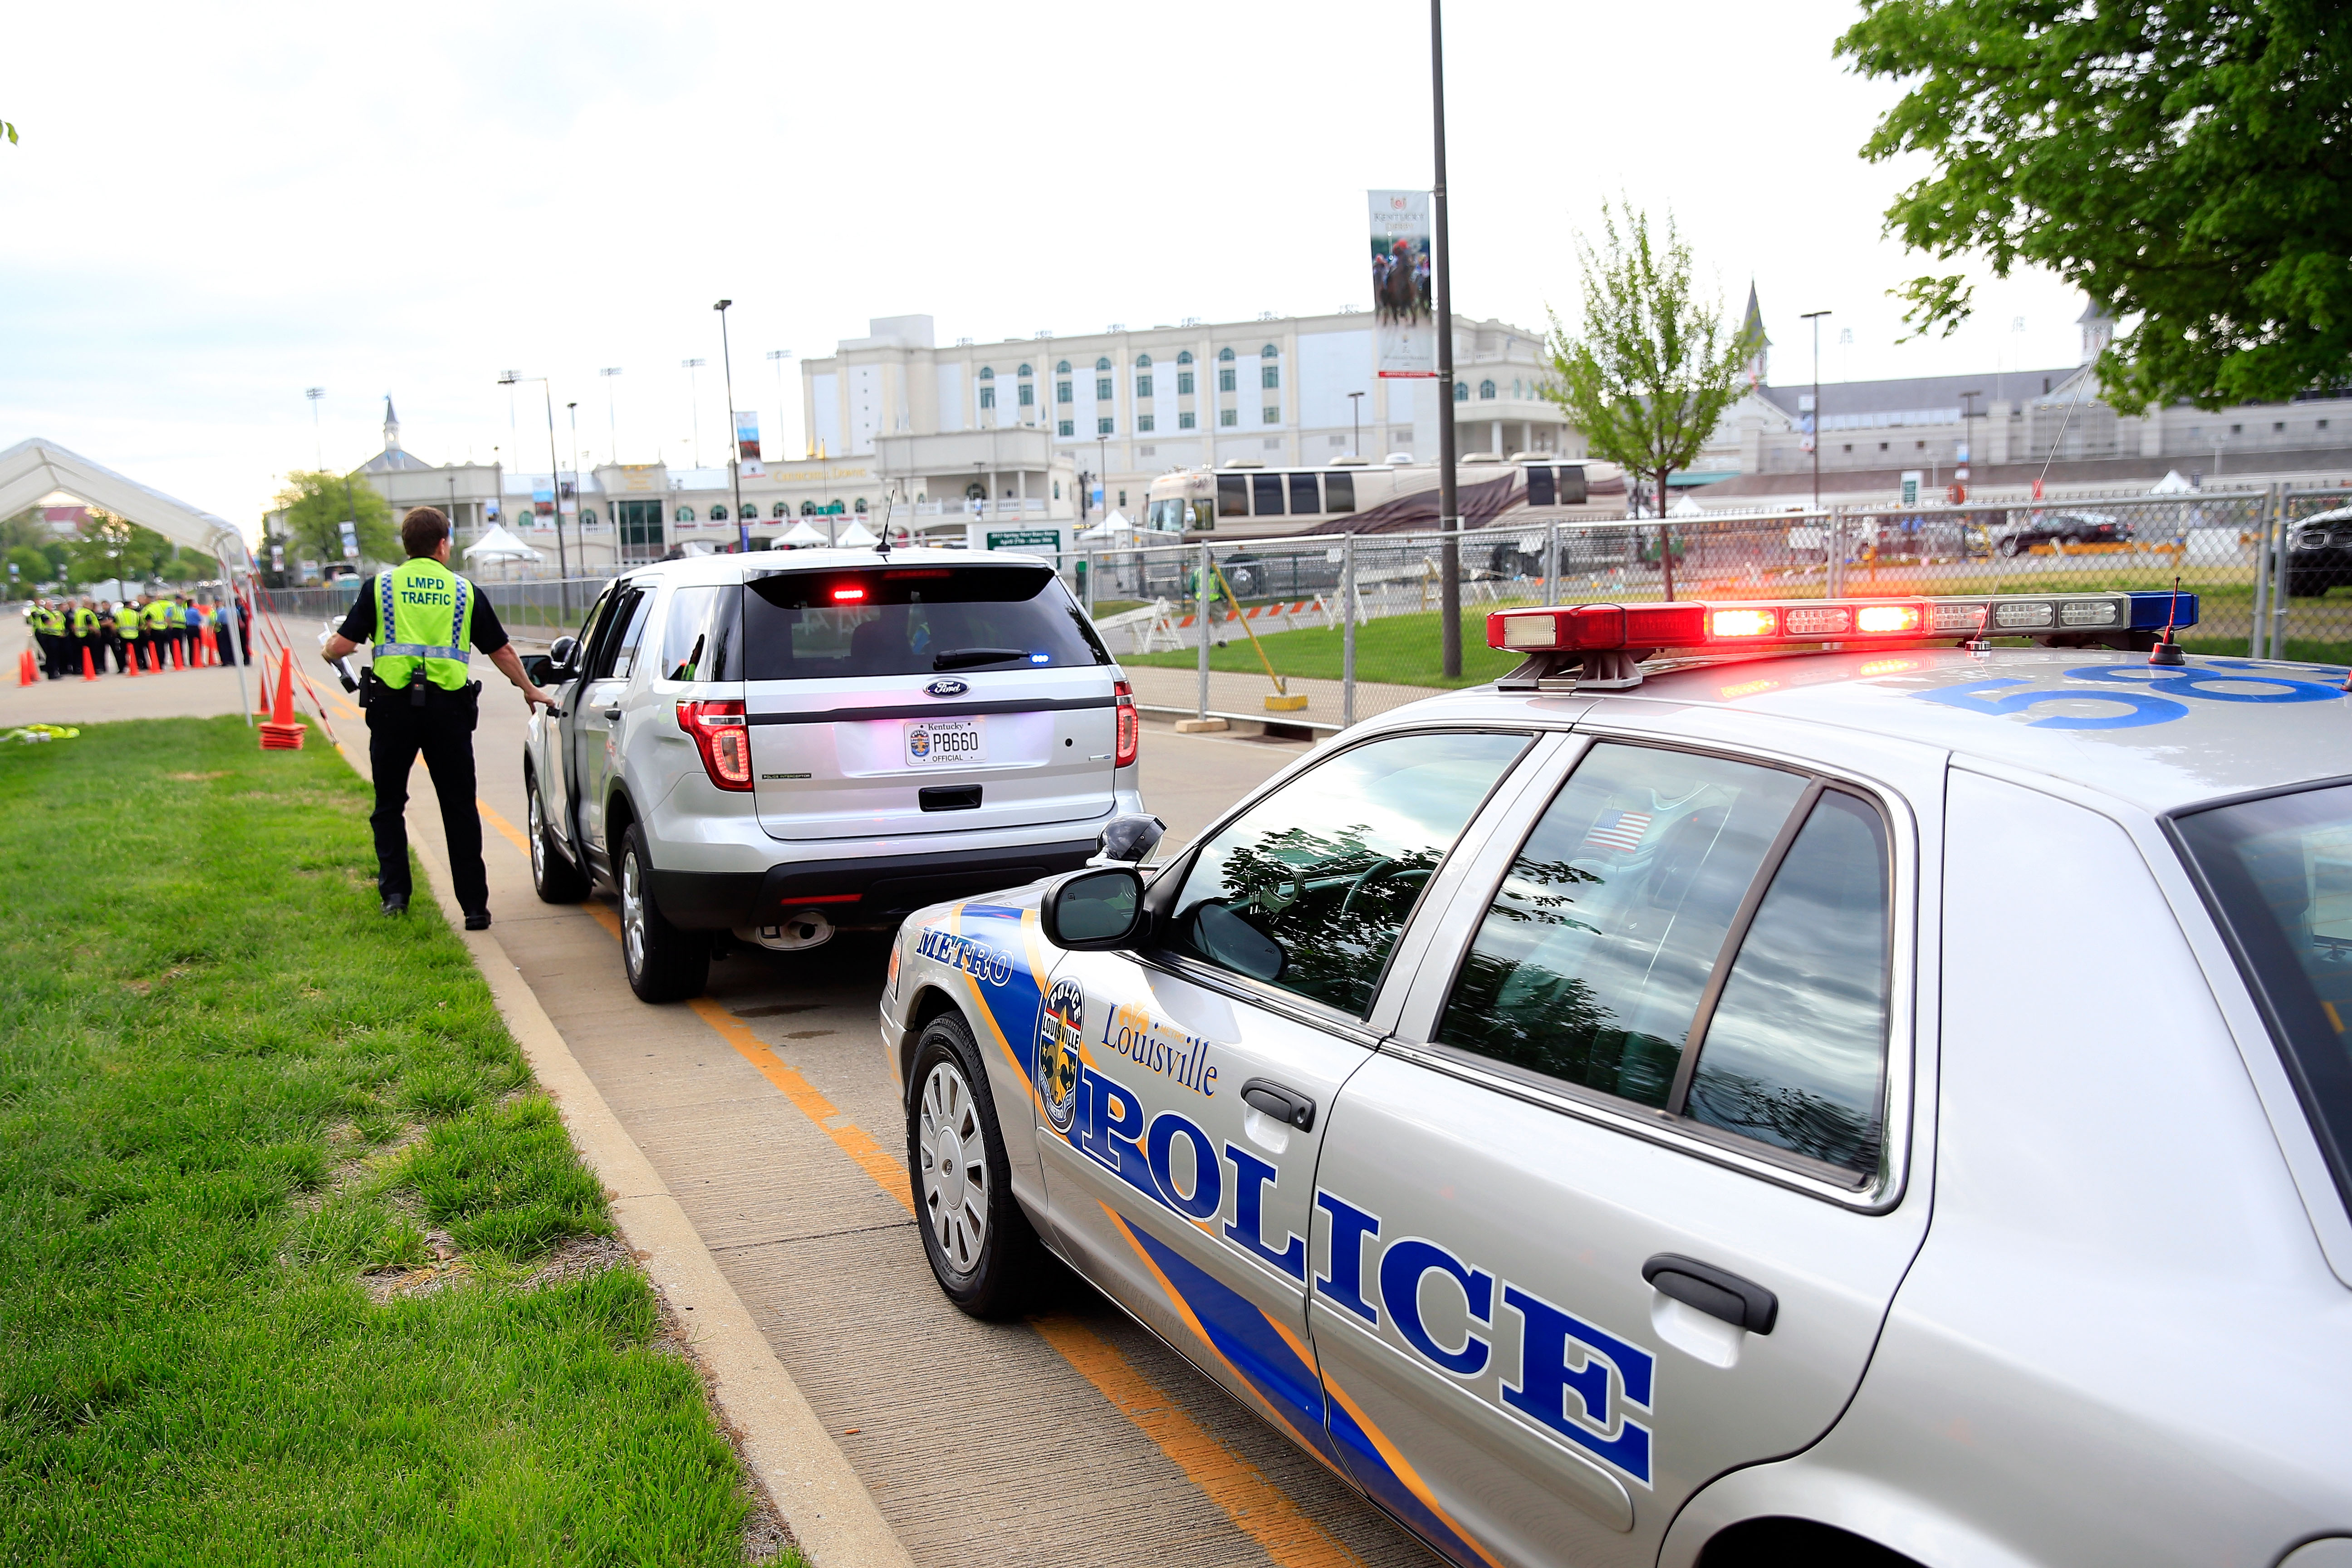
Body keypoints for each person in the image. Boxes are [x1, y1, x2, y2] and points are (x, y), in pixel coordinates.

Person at [321, 506, 553, 926]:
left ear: (406, 545)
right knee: (460, 806)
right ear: (443, 544)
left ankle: (395, 897)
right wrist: (529, 687)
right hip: (449, 710)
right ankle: (475, 909)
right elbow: (500, 649)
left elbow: (340, 646)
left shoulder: (381, 587)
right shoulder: (464, 591)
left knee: (389, 805)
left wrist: (329, 651)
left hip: (392, 708)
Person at [113, 598, 140, 672]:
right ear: (130, 605)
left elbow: (114, 624)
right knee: (135, 652)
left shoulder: (119, 614)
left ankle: (122, 668)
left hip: (123, 635)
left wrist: (115, 633)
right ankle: (136, 666)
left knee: (123, 653)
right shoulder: (136, 614)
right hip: (135, 635)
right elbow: (140, 625)